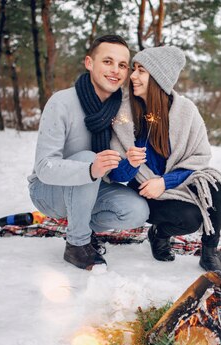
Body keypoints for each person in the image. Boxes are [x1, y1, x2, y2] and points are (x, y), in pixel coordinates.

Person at [28, 35, 149, 270]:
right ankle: (77, 244)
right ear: (89, 63)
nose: (115, 70)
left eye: (122, 65)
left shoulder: (122, 108)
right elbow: (44, 167)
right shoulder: (61, 102)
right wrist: (90, 169)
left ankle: (81, 224)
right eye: (107, 61)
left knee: (137, 210)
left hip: (94, 186)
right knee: (88, 158)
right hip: (49, 191)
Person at [109, 45, 221, 275]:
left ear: (158, 78)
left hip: (175, 184)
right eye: (134, 69)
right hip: (144, 190)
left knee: (216, 186)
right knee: (189, 219)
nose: (133, 76)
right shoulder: (125, 114)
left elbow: (200, 158)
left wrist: (165, 183)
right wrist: (131, 163)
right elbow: (115, 174)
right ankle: (159, 234)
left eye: (141, 70)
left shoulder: (185, 111)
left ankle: (209, 254)